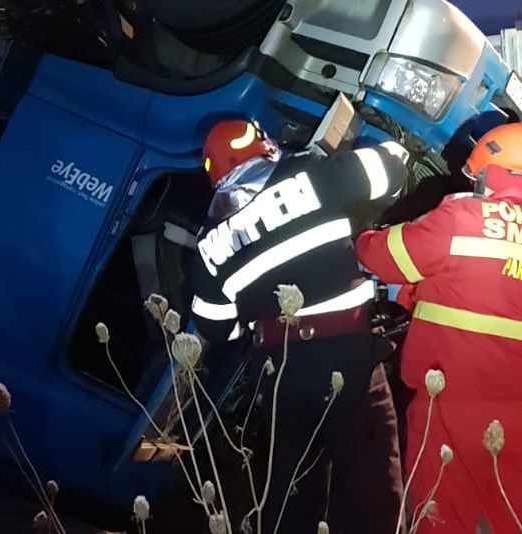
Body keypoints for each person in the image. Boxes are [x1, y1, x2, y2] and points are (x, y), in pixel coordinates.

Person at [190, 119, 408, 533]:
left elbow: (215, 327)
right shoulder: (307, 174)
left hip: (280, 372)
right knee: (371, 485)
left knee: (290, 492)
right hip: (348, 357)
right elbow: (391, 170)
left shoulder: (209, 244)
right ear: (265, 147)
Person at [355, 122, 522, 533]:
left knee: (442, 509)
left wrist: (360, 233)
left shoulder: (463, 217)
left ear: (492, 173)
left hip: (450, 400)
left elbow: (383, 257)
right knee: (509, 509)